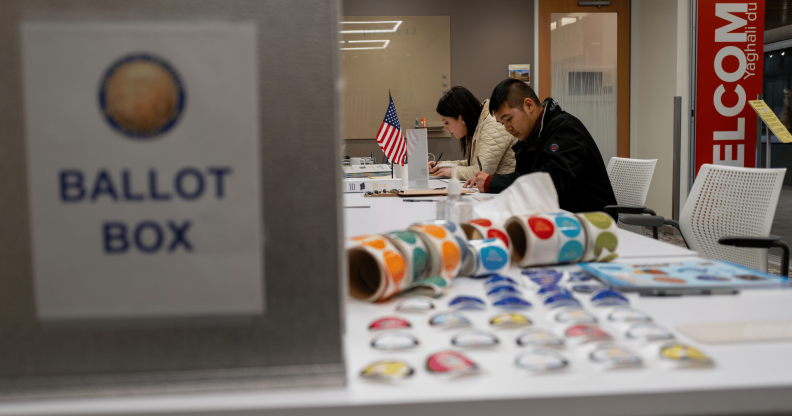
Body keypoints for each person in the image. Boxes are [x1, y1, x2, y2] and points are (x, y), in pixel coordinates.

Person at [464, 78, 617, 217]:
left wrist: (493, 182)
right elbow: (527, 181)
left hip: (592, 220)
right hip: (557, 214)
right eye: (503, 124)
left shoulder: (564, 128)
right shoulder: (530, 138)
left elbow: (550, 180)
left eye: (509, 119)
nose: (508, 129)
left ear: (528, 105)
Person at [427, 86, 515, 180]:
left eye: (447, 122)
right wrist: (441, 166)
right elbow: (472, 164)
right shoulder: (478, 125)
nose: (445, 127)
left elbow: (481, 172)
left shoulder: (493, 125)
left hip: (505, 191)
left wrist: (452, 171)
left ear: (461, 118)